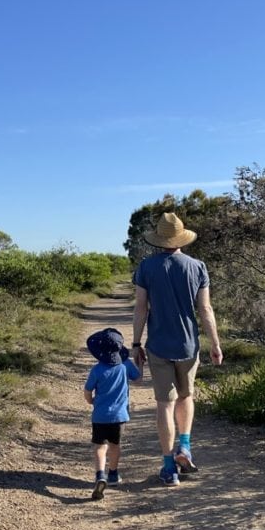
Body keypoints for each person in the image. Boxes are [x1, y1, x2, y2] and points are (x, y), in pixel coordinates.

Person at [132, 212, 223, 486]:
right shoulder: (198, 267)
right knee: (186, 397)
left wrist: (135, 344)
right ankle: (185, 446)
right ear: (182, 238)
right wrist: (215, 343)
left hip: (158, 345)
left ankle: (169, 467)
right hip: (189, 345)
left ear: (158, 239)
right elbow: (205, 309)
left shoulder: (146, 267)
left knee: (165, 404)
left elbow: (140, 308)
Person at [83, 327, 142, 499]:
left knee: (100, 446)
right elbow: (138, 380)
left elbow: (88, 391)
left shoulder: (97, 369)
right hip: (119, 416)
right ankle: (113, 474)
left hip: (100, 416)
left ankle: (100, 475)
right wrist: (140, 363)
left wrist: (91, 401)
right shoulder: (125, 365)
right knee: (115, 446)